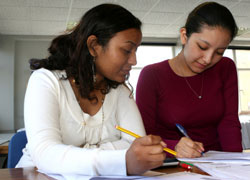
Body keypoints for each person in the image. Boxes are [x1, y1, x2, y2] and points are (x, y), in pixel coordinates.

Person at [16, 4, 166, 176]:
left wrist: (70, 152)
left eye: (136, 50)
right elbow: (45, 154)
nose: (134, 60)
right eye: (126, 50)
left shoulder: (121, 92)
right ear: (94, 46)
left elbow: (137, 146)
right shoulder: (45, 80)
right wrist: (121, 159)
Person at [136, 1, 242, 159]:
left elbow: (229, 122)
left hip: (218, 163)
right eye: (202, 47)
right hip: (172, 163)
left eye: (219, 52)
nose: (208, 59)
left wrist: (237, 164)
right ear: (184, 36)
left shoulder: (225, 67)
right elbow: (144, 138)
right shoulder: (152, 75)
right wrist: (174, 147)